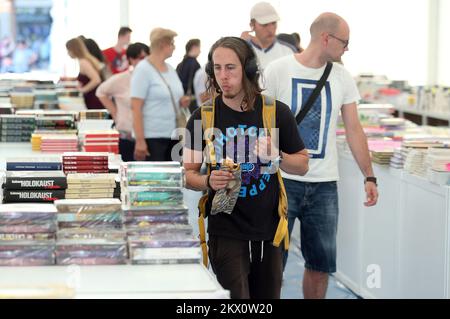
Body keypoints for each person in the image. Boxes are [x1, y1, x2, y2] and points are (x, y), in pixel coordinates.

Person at [183, 37, 309, 299]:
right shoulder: (201, 118)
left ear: (248, 70)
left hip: (269, 230)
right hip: (225, 229)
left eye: (230, 67)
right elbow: (188, 174)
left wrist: (277, 157)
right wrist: (208, 181)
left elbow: (302, 165)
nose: (223, 76)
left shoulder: (276, 113)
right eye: (217, 68)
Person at [264, 12, 379, 299]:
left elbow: (354, 129)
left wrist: (370, 175)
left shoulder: (342, 77)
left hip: (324, 186)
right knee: (272, 266)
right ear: (326, 38)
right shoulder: (278, 70)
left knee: (320, 267)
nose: (347, 48)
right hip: (281, 180)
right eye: (345, 42)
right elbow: (260, 125)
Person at [131, 28, 191, 161]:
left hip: (174, 134)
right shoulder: (143, 69)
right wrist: (140, 141)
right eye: (172, 43)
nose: (174, 47)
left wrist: (182, 100)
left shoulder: (170, 69)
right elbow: (135, 107)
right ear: (162, 44)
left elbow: (174, 95)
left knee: (172, 178)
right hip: (152, 137)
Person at [96, 42, 150, 162]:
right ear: (131, 59)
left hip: (150, 137)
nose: (144, 61)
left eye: (147, 57)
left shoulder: (152, 79)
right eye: (141, 58)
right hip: (128, 136)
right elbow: (100, 92)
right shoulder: (122, 79)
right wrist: (115, 113)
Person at [241, 2, 297, 71]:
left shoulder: (288, 51)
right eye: (264, 24)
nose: (270, 29)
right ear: (252, 25)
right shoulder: (241, 51)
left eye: (274, 23)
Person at [66, 37, 104, 109]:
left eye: (68, 50)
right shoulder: (86, 59)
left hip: (93, 99)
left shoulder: (83, 62)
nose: (68, 53)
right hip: (94, 97)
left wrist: (83, 90)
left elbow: (96, 80)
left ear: (74, 50)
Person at [176, 39, 201, 113]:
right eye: (199, 48)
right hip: (192, 101)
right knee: (197, 122)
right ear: (194, 47)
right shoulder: (194, 64)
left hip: (181, 101)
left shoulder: (180, 64)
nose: (200, 51)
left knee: (187, 123)